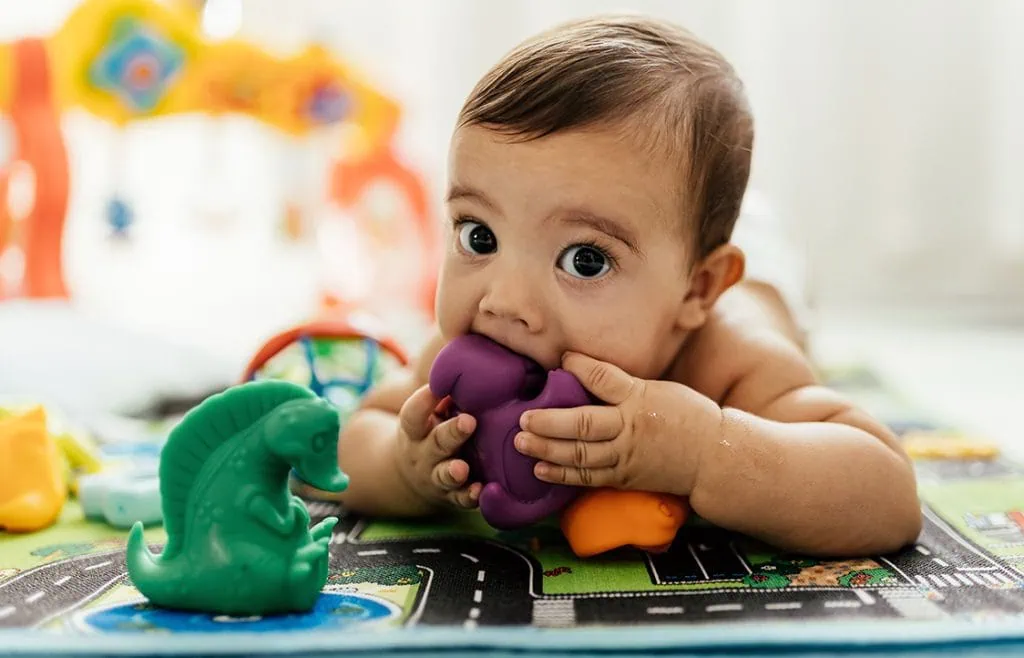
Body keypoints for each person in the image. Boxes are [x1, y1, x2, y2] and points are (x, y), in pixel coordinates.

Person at [320, 14, 921, 557]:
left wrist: (708, 452)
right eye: (479, 237)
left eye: (585, 260)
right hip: (677, 248)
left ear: (697, 292)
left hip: (760, 278)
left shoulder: (728, 365)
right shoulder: (468, 354)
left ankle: (746, 236)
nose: (504, 301)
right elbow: (348, 442)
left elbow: (886, 494)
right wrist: (405, 465)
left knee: (751, 257)